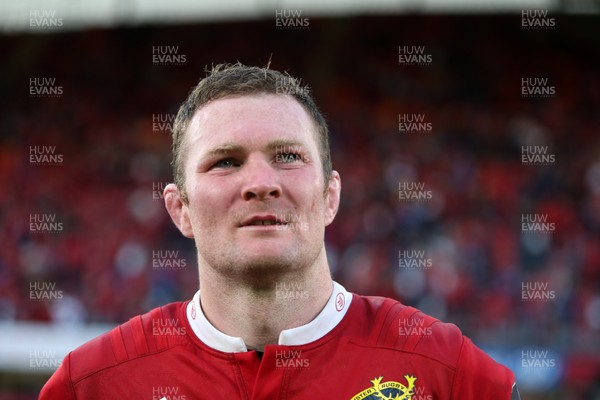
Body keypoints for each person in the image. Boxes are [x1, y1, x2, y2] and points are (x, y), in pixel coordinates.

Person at [40, 63, 519, 399]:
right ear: (179, 208)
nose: (261, 184)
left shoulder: (450, 373)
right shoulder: (92, 385)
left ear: (330, 195)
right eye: (225, 162)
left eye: (287, 156)